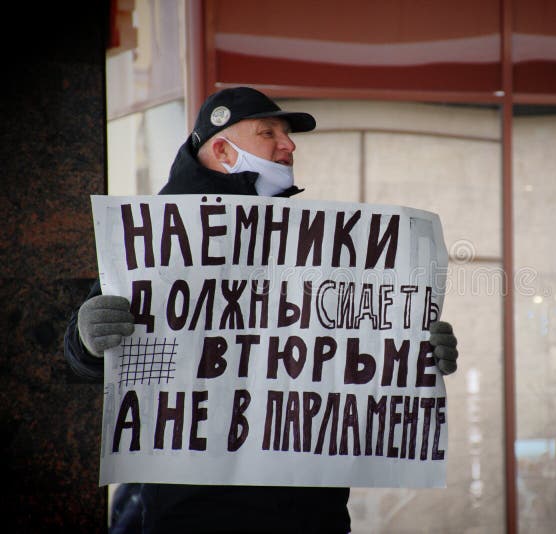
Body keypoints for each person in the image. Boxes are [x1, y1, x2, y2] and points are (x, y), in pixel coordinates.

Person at [64, 86, 460, 533]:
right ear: (221, 149)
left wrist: (416, 352)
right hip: (198, 512)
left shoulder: (312, 241)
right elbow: (89, 360)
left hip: (310, 512)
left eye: (287, 135)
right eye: (268, 132)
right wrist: (87, 338)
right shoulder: (157, 238)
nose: (288, 145)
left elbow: (350, 341)